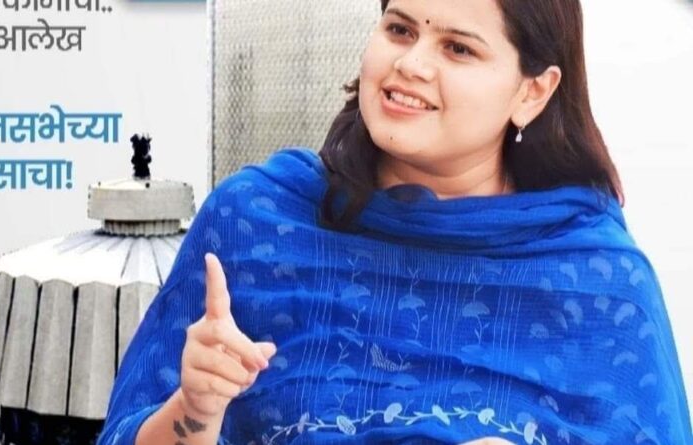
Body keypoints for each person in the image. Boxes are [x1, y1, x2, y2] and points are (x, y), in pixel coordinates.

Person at [97, 0, 693, 443]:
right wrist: (194, 410)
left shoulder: (595, 282)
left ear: (533, 92)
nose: (411, 64)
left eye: (458, 49)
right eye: (400, 29)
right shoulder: (256, 223)